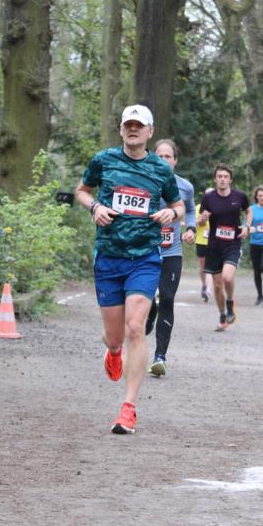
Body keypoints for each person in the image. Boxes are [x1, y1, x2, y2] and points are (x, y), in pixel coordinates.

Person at [76, 105, 184, 434]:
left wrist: (172, 215)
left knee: (135, 327)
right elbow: (82, 190)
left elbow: (178, 205)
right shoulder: (104, 161)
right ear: (121, 130)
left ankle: (129, 408)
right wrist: (94, 207)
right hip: (109, 257)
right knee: (115, 336)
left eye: (139, 126)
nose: (133, 130)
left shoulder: (160, 170)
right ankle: (113, 351)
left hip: (145, 257)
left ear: (150, 132)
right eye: (128, 125)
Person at [145, 139, 196, 377]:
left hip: (171, 251)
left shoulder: (185, 186)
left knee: (167, 297)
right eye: (160, 156)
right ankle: (150, 311)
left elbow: (190, 209)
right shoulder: (144, 181)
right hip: (144, 250)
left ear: (175, 161)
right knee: (146, 300)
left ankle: (160, 357)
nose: (164, 160)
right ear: (153, 157)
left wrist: (191, 229)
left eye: (168, 156)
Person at [199, 165, 249, 331]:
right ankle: (222, 314)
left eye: (225, 176)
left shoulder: (240, 197)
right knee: (217, 285)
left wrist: (247, 227)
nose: (222, 179)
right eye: (219, 176)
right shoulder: (208, 198)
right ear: (215, 179)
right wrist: (202, 218)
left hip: (233, 244)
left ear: (230, 179)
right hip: (214, 245)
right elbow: (200, 221)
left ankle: (230, 301)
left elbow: (249, 211)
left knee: (227, 278)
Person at [194, 202, 210, 301]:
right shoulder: (199, 207)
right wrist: (202, 219)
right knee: (203, 267)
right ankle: (204, 285)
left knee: (214, 266)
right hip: (201, 240)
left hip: (215, 241)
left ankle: (209, 289)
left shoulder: (220, 206)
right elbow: (197, 222)